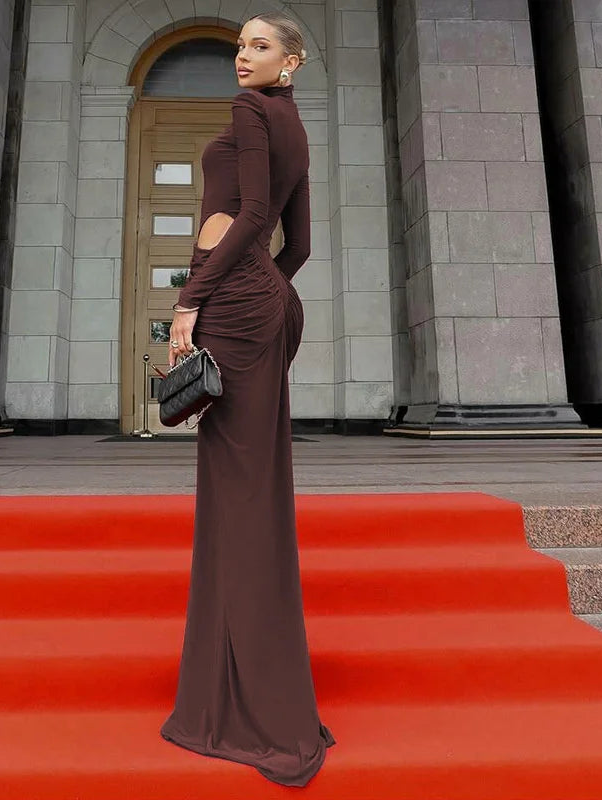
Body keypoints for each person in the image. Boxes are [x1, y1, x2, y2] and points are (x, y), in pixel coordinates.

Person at [159, 12, 336, 788]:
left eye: (260, 46)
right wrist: (267, 295)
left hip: (231, 303)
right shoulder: (295, 127)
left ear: (290, 61)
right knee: (253, 496)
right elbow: (299, 246)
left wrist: (193, 299)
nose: (243, 56)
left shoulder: (251, 109)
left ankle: (241, 708)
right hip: (262, 304)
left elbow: (257, 216)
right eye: (240, 46)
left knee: (236, 500)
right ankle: (249, 694)